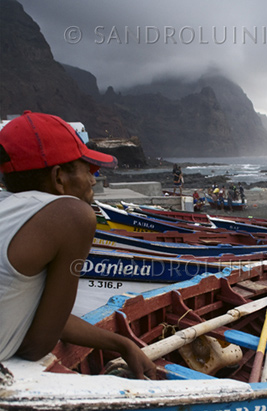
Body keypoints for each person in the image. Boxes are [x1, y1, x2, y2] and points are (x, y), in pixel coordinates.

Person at [0, 111, 156, 379]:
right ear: (59, 177)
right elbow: (36, 347)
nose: (94, 179)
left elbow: (47, 317)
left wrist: (122, 344)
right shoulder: (72, 215)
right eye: (88, 168)